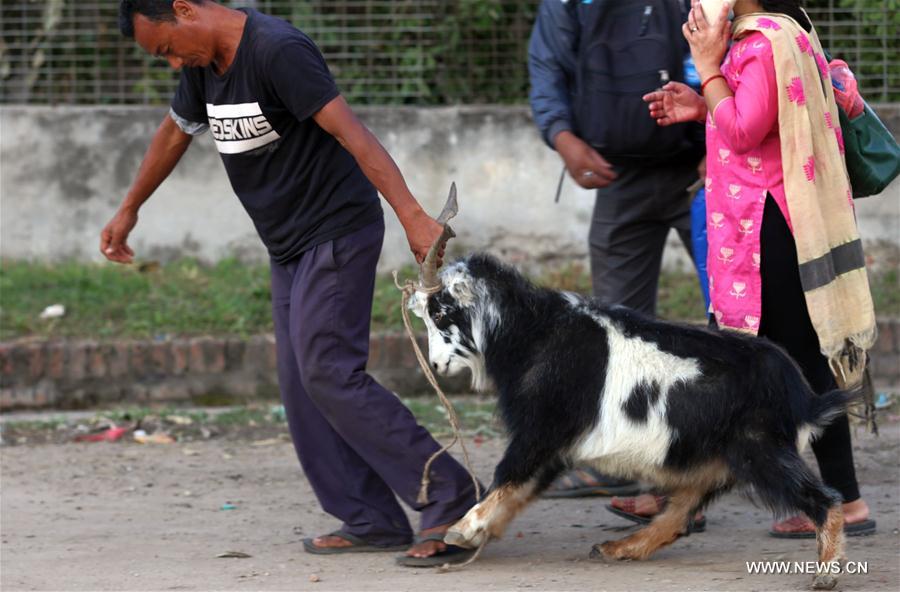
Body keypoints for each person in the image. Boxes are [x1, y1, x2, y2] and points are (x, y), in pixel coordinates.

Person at [102, 0, 479, 566]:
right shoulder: (203, 67)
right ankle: (369, 516)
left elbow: (354, 135)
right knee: (300, 385)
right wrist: (129, 208)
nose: (175, 63)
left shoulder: (277, 49)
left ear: (184, 8)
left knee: (328, 370)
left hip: (336, 228)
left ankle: (450, 498)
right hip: (287, 247)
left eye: (168, 48)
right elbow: (174, 133)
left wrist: (414, 217)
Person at [637, 0, 877, 537]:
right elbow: (749, 119)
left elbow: (744, 132)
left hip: (768, 228)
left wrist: (706, 65)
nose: (695, 2)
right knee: (773, 365)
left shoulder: (765, 42)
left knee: (775, 365)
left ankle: (837, 502)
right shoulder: (759, 39)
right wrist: (704, 105)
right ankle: (814, 497)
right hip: (755, 226)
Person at [528, 0, 705, 500]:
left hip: (705, 172)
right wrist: (562, 137)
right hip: (618, 175)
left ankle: (774, 453)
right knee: (618, 329)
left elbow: (733, 54)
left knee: (741, 318)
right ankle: (632, 461)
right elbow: (548, 64)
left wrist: (723, 143)